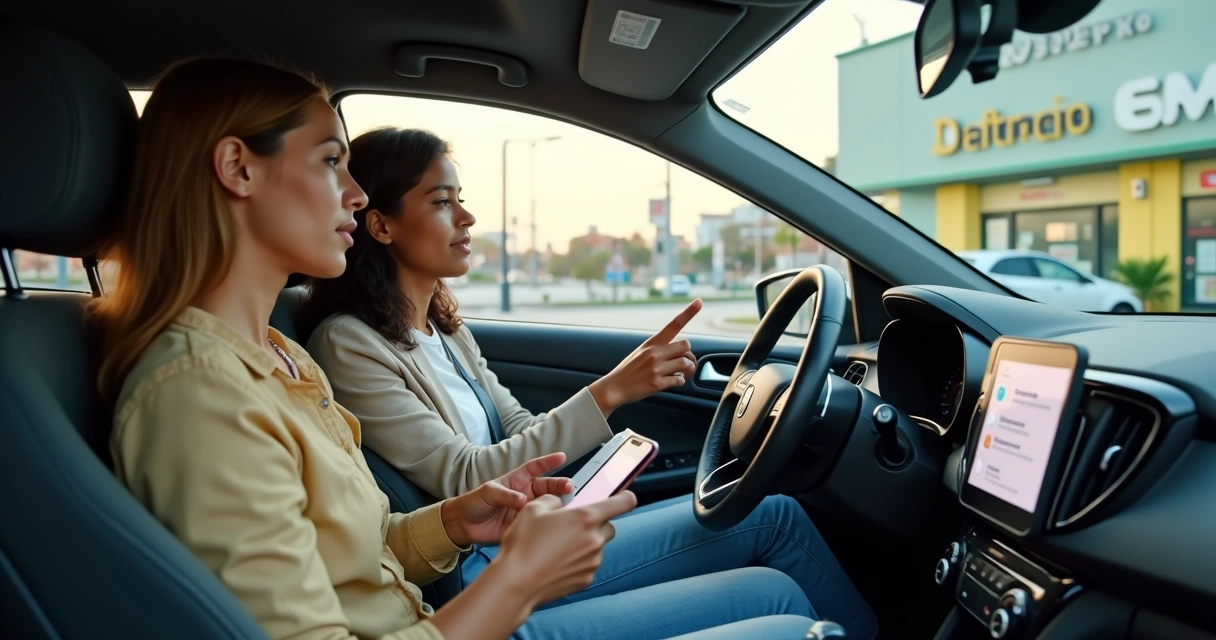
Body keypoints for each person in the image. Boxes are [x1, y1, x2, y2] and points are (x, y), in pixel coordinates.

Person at [92, 57, 824, 640]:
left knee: (778, 590)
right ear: (238, 168)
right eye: (328, 161)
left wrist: (451, 522)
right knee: (790, 618)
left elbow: (359, 548)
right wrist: (517, 580)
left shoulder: (281, 355)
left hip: (430, 614)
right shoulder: (201, 392)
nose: (353, 195)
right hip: (457, 613)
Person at [302, 127, 878, 639]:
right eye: (441, 202)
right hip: (483, 568)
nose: (467, 218)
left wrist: (598, 460)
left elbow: (521, 430)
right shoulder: (348, 342)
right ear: (380, 225)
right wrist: (610, 391)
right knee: (777, 588)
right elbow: (465, 474)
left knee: (777, 515)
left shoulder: (444, 330)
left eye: (462, 200)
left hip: (526, 531)